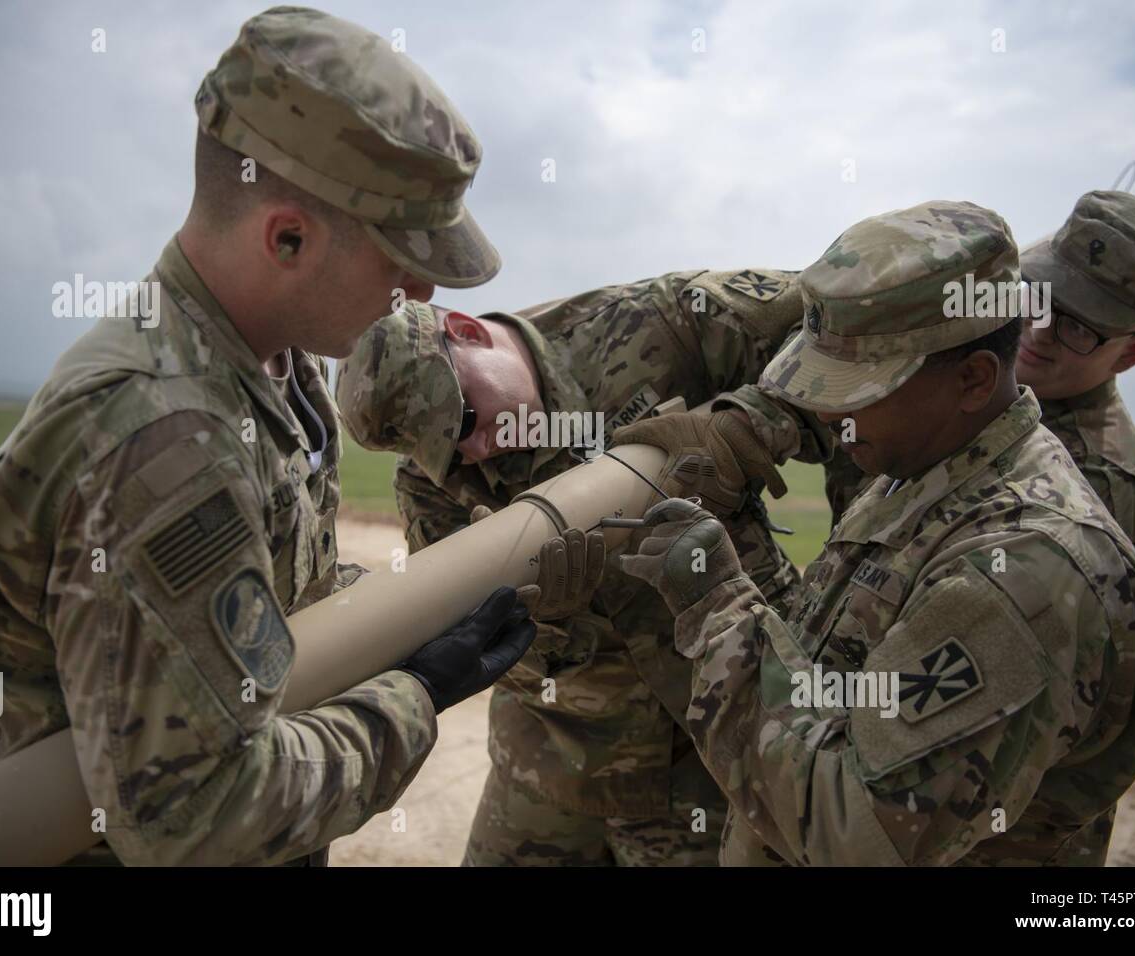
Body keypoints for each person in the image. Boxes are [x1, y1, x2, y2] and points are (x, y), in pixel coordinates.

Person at [0, 7, 533, 867]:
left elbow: (264, 612)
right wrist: (416, 692)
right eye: (399, 253)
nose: (416, 287)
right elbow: (199, 814)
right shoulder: (159, 437)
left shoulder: (275, 370)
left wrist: (407, 610)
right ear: (286, 236)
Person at [615, 201, 1135, 865]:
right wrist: (726, 547)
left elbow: (857, 834)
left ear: (972, 379)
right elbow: (828, 669)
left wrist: (718, 609)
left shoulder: (1024, 572)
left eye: (859, 386)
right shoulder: (919, 467)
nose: (827, 408)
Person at [336, 263, 848, 864]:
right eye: (448, 450)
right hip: (555, 759)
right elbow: (469, 644)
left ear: (468, 332)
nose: (476, 452)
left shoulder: (664, 323)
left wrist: (745, 425)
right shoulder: (436, 485)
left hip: (715, 743)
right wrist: (541, 625)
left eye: (466, 419)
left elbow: (852, 340)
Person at [1017, 190, 1135, 588]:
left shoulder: (1098, 484)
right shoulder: (1002, 397)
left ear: (1132, 353)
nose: (1040, 330)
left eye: (1080, 326)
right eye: (1040, 296)